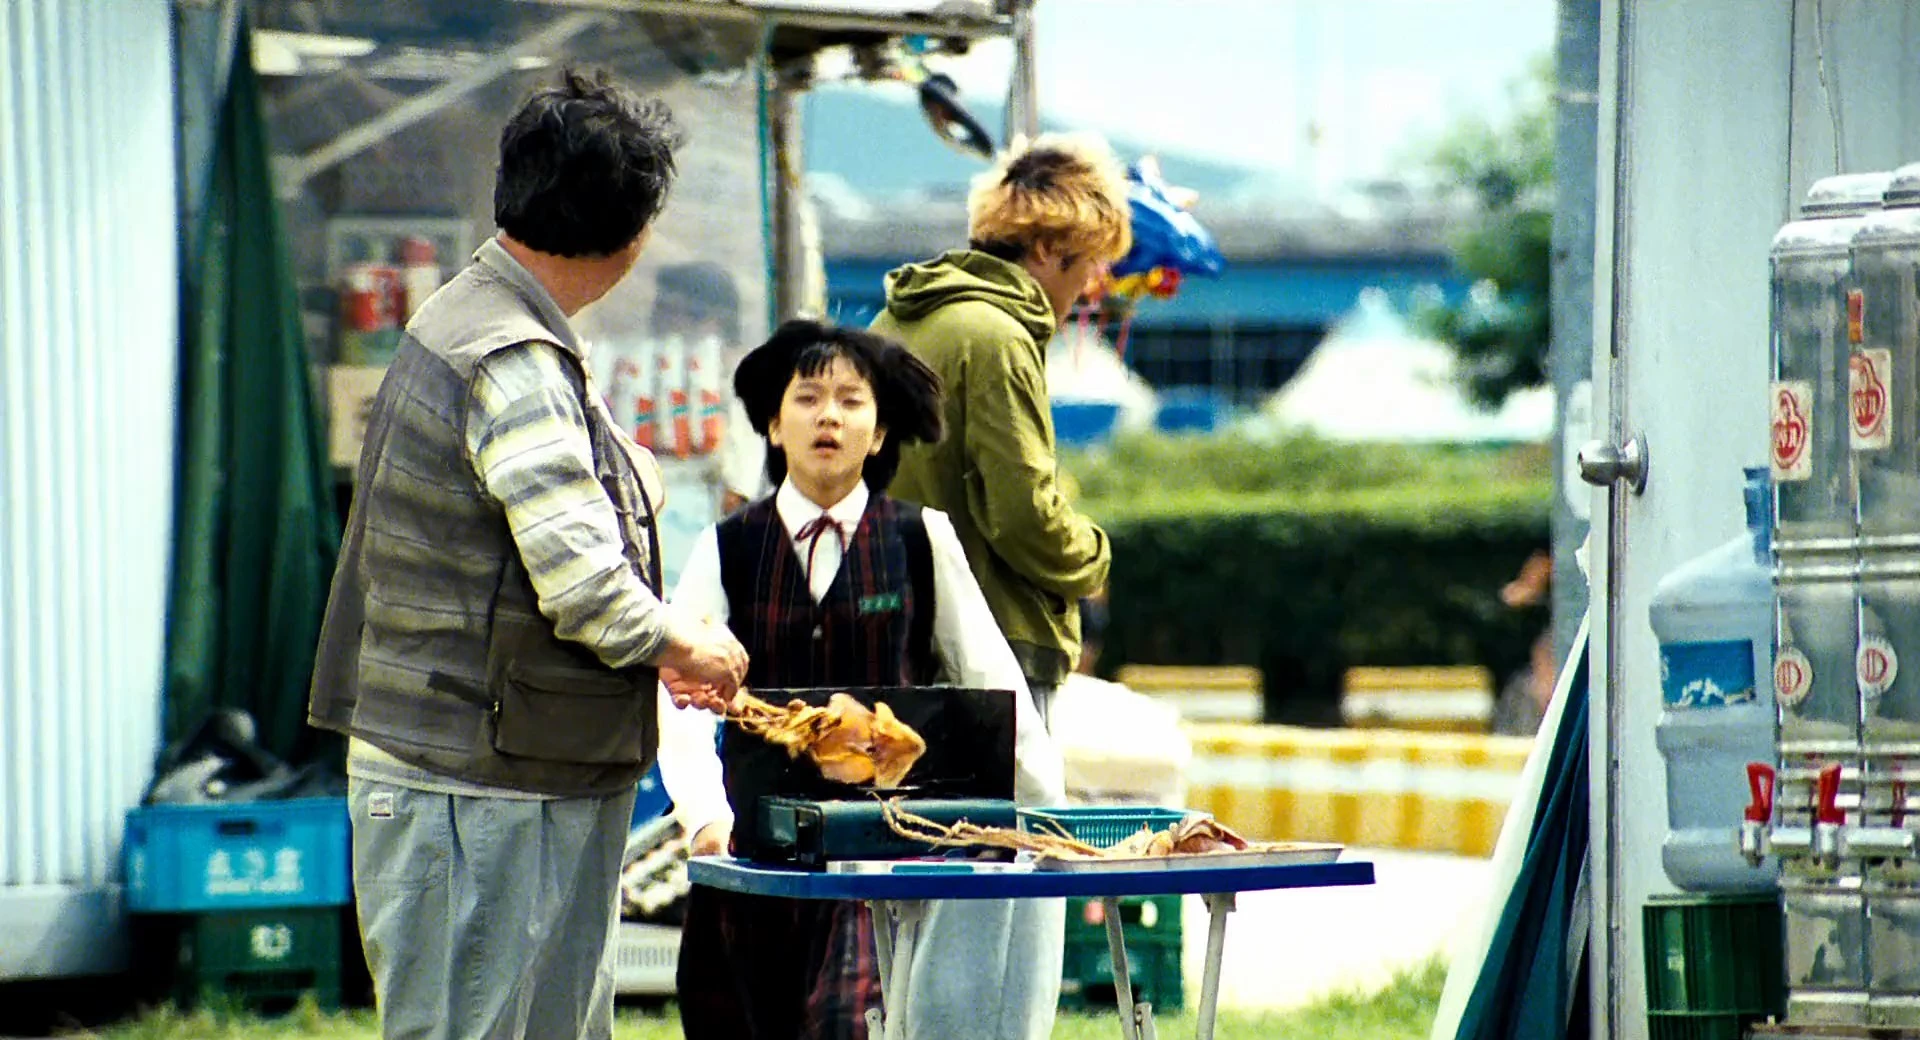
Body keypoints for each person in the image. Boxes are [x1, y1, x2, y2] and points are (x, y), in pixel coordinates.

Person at [307, 70, 748, 1040]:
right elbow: (587, 588)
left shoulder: (478, 314)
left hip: (487, 771)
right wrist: (689, 644)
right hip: (479, 786)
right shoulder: (512, 355)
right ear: (631, 232)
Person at [657, 319, 1068, 1040]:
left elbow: (992, 681)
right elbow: (680, 700)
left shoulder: (920, 538)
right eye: (808, 398)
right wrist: (705, 818)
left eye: (851, 401)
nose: (829, 417)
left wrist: (1047, 818)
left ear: (878, 435)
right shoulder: (727, 547)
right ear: (773, 425)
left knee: (851, 1023)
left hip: (882, 858)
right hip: (756, 856)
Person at [873, 132, 1132, 728]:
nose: (1089, 286)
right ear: (1046, 248)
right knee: (1009, 795)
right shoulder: (998, 336)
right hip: (990, 645)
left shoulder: (896, 319)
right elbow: (1022, 514)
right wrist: (1093, 556)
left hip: (896, 630)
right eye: (1087, 264)